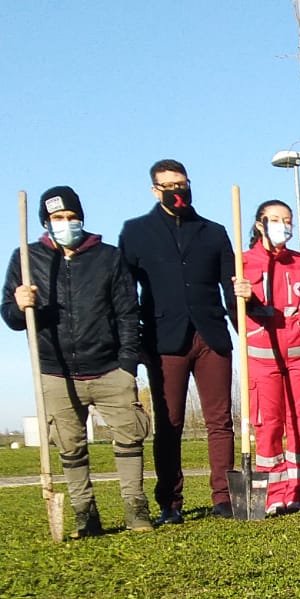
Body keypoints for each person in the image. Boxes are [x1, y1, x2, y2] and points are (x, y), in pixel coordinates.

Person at [4, 185, 153, 535]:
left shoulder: (108, 257)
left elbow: (128, 313)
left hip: (109, 369)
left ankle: (136, 509)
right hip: (55, 371)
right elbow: (10, 317)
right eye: (58, 218)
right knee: (70, 447)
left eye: (72, 217)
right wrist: (19, 303)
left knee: (129, 439)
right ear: (46, 221)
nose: (66, 223)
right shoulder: (26, 259)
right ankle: (85, 515)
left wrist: (127, 364)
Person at [117, 159, 236, 521]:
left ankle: (225, 498)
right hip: (163, 339)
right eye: (168, 186)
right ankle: (170, 502)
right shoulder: (136, 232)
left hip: (211, 336)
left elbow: (231, 289)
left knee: (220, 421)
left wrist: (244, 313)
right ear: (155, 190)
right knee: (170, 423)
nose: (177, 191)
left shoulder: (213, 232)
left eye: (181, 183)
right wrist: (133, 342)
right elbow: (125, 293)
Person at [232, 200, 300, 515]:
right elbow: (237, 313)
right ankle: (271, 495)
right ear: (259, 224)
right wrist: (244, 295)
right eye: (276, 219)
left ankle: (298, 494)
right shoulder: (243, 263)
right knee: (267, 426)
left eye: (288, 219)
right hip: (262, 356)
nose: (283, 225)